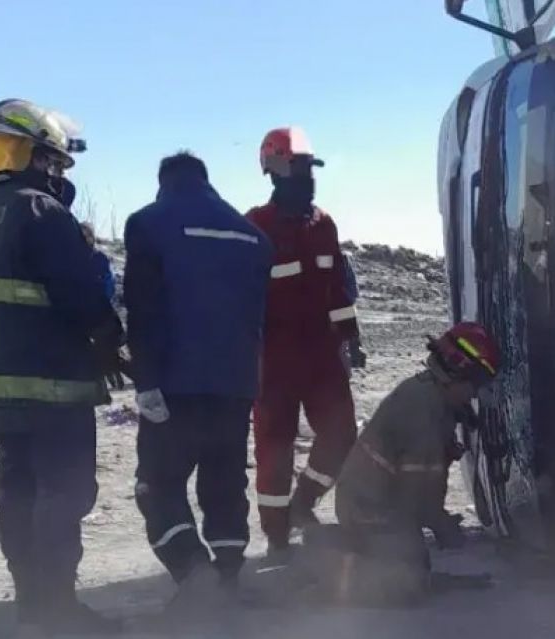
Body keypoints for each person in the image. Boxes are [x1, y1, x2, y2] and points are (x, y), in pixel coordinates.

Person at [0, 98, 125, 635]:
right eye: (55, 162)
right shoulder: (40, 211)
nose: (58, 174)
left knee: (18, 493)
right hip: (52, 388)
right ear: (37, 156)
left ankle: (31, 603)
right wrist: (112, 339)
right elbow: (80, 294)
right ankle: (58, 609)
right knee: (64, 494)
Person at [124, 152, 271, 606]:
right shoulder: (252, 236)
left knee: (158, 483)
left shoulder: (147, 223)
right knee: (224, 482)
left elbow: (143, 308)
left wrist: (146, 379)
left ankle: (192, 570)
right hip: (235, 385)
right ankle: (228, 574)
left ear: (163, 182)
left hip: (174, 384)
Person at [297, 322, 500, 605]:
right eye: (474, 386)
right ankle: (323, 575)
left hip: (378, 500)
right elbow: (414, 494)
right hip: (370, 507)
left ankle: (342, 547)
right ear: (457, 373)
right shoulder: (424, 413)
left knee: (414, 562)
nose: (475, 395)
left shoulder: (430, 396)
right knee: (407, 586)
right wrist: (441, 524)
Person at [245, 127, 367, 564]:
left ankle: (304, 502)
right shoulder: (255, 226)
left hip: (321, 356)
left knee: (342, 434)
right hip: (274, 362)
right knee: (274, 449)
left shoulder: (324, 225)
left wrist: (351, 338)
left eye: (309, 169)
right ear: (274, 171)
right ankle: (277, 538)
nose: (306, 177)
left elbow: (338, 291)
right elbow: (241, 296)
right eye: (298, 168)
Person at [80, 222, 116, 301]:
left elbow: (109, 286)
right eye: (82, 237)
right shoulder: (73, 258)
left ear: (93, 237)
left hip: (98, 302)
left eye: (89, 235)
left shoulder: (101, 258)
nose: (86, 239)